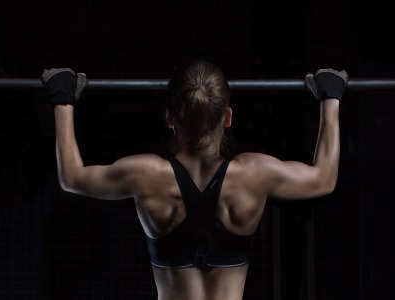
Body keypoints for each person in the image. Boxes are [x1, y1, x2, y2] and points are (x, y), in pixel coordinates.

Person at [42, 60, 347, 300]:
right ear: (227, 117)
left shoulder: (146, 175)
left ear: (170, 118)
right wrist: (330, 98)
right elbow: (324, 178)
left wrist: (63, 99)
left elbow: (72, 177)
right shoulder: (254, 173)